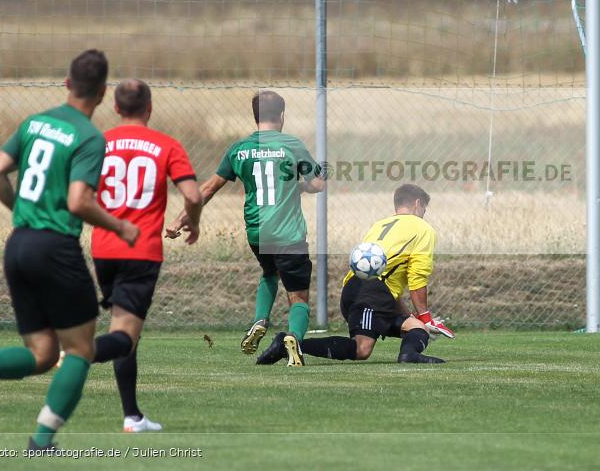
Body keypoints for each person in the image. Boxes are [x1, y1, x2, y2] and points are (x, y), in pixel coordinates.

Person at [0, 50, 139, 451]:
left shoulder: (34, 122)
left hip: (18, 244)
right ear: (102, 93)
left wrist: (21, 210)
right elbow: (78, 201)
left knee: (43, 354)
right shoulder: (89, 137)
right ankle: (42, 441)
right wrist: (120, 226)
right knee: (81, 349)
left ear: (67, 84)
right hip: (55, 248)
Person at [167, 90, 325, 365]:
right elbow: (317, 185)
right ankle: (295, 340)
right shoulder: (292, 145)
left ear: (255, 117)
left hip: (257, 232)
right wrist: (302, 184)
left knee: (269, 272)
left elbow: (208, 189)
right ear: (282, 115)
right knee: (298, 296)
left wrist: (180, 219)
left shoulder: (239, 149)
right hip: (288, 233)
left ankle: (259, 320)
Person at [90, 79, 203, 432]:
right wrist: (193, 222)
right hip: (141, 250)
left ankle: (133, 416)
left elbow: (78, 193)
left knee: (126, 331)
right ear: (149, 108)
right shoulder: (166, 145)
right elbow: (193, 195)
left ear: (116, 108)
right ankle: (76, 352)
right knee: (125, 334)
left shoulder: (98, 143)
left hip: (103, 248)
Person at [257, 184, 454, 366]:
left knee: (416, 328)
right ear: (418, 204)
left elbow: (387, 285)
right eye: (424, 209)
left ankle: (409, 355)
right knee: (362, 348)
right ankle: (287, 344)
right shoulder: (423, 229)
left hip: (360, 290)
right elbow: (417, 279)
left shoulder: (380, 226)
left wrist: (415, 318)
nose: (424, 214)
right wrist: (426, 316)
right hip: (371, 294)